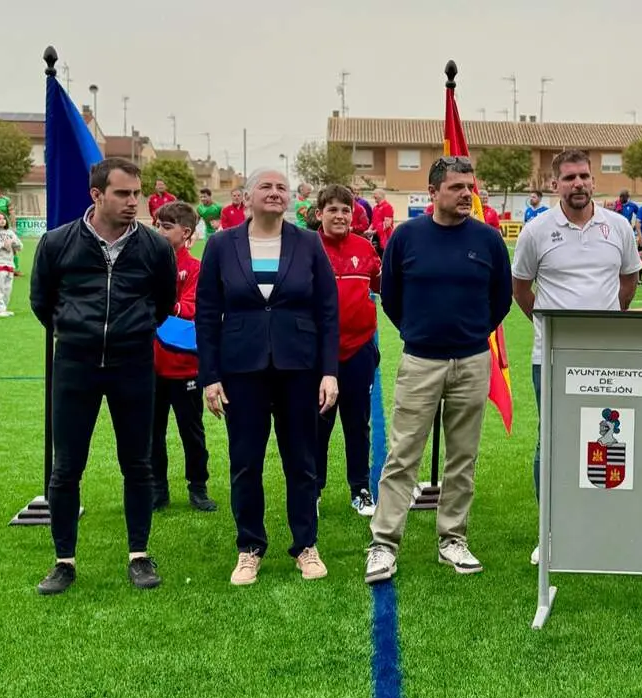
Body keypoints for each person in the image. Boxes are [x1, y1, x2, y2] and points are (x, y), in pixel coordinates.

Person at [29, 157, 178, 595]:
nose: (134, 202)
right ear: (97, 195)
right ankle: (63, 561)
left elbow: (164, 302)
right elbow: (43, 302)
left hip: (133, 364)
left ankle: (138, 555)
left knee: (138, 463)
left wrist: (132, 331)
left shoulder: (154, 247)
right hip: (75, 365)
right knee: (66, 468)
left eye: (138, 193)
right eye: (123, 194)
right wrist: (76, 331)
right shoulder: (57, 243)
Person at [366, 155, 512, 584]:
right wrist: (420, 331)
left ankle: (453, 538)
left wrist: (470, 334)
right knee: (402, 456)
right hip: (421, 361)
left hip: (471, 361)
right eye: (457, 188)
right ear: (433, 193)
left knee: (462, 458)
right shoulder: (406, 238)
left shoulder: (487, 240)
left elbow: (500, 299)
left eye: (471, 187)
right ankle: (383, 544)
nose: (467, 194)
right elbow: (390, 296)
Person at [196, 168, 340, 586]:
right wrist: (210, 376)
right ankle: (249, 548)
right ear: (246, 197)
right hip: (242, 370)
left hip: (299, 369)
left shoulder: (308, 243)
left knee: (302, 462)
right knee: (245, 463)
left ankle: (306, 546)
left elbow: (327, 313)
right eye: (266, 187)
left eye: (282, 188)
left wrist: (329, 372)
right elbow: (206, 315)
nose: (275, 193)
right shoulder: (222, 245)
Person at [511, 148, 642, 565]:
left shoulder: (618, 226)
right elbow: (521, 289)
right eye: (569, 178)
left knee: (606, 437)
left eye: (584, 176)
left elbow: (629, 280)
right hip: (549, 356)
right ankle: (550, 529)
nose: (579, 184)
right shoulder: (536, 231)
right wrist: (549, 327)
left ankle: (602, 522)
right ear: (554, 185)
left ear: (593, 180)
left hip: (605, 354)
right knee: (552, 440)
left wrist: (605, 324)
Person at [315, 184, 382, 517]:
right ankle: (312, 488)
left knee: (358, 423)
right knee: (317, 424)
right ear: (319, 214)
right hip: (317, 354)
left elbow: (384, 286)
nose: (340, 215)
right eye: (333, 210)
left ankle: (360, 489)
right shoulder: (307, 248)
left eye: (345, 209)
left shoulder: (364, 247)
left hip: (358, 350)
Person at [151, 202, 216, 513]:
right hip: (149, 367)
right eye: (157, 225)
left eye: (166, 226)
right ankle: (157, 489)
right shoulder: (145, 262)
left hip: (184, 366)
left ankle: (198, 487)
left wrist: (165, 307)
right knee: (152, 432)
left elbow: (191, 309)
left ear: (186, 232)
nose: (159, 231)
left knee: (191, 432)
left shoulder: (194, 268)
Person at [370, 188, 396, 254]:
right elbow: (373, 222)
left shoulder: (387, 206)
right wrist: (369, 230)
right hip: (376, 235)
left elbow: (387, 224)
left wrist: (374, 231)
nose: (373, 196)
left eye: (375, 194)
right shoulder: (375, 208)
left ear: (380, 195)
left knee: (384, 255)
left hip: (385, 237)